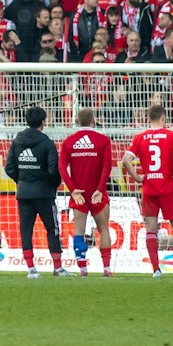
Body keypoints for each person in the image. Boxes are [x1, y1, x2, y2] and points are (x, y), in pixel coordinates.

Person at [122, 103, 173, 279]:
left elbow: (126, 159)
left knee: (150, 230)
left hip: (149, 188)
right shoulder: (171, 135)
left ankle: (156, 270)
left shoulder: (140, 137)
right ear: (163, 118)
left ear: (148, 119)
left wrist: (137, 177)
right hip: (167, 188)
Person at [6, 105, 65, 278]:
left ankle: (31, 269)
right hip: (44, 193)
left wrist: (22, 180)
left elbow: (9, 167)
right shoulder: (47, 143)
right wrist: (51, 184)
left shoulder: (17, 141)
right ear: (42, 122)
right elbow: (54, 169)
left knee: (26, 230)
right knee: (52, 229)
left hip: (24, 193)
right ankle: (58, 268)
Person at [60, 108, 115, 277]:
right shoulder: (103, 140)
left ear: (77, 121)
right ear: (93, 120)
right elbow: (107, 166)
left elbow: (61, 167)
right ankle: (106, 269)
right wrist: (99, 189)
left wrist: (73, 189)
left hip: (80, 194)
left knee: (78, 230)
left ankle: (83, 269)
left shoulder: (69, 142)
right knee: (103, 229)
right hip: (97, 193)